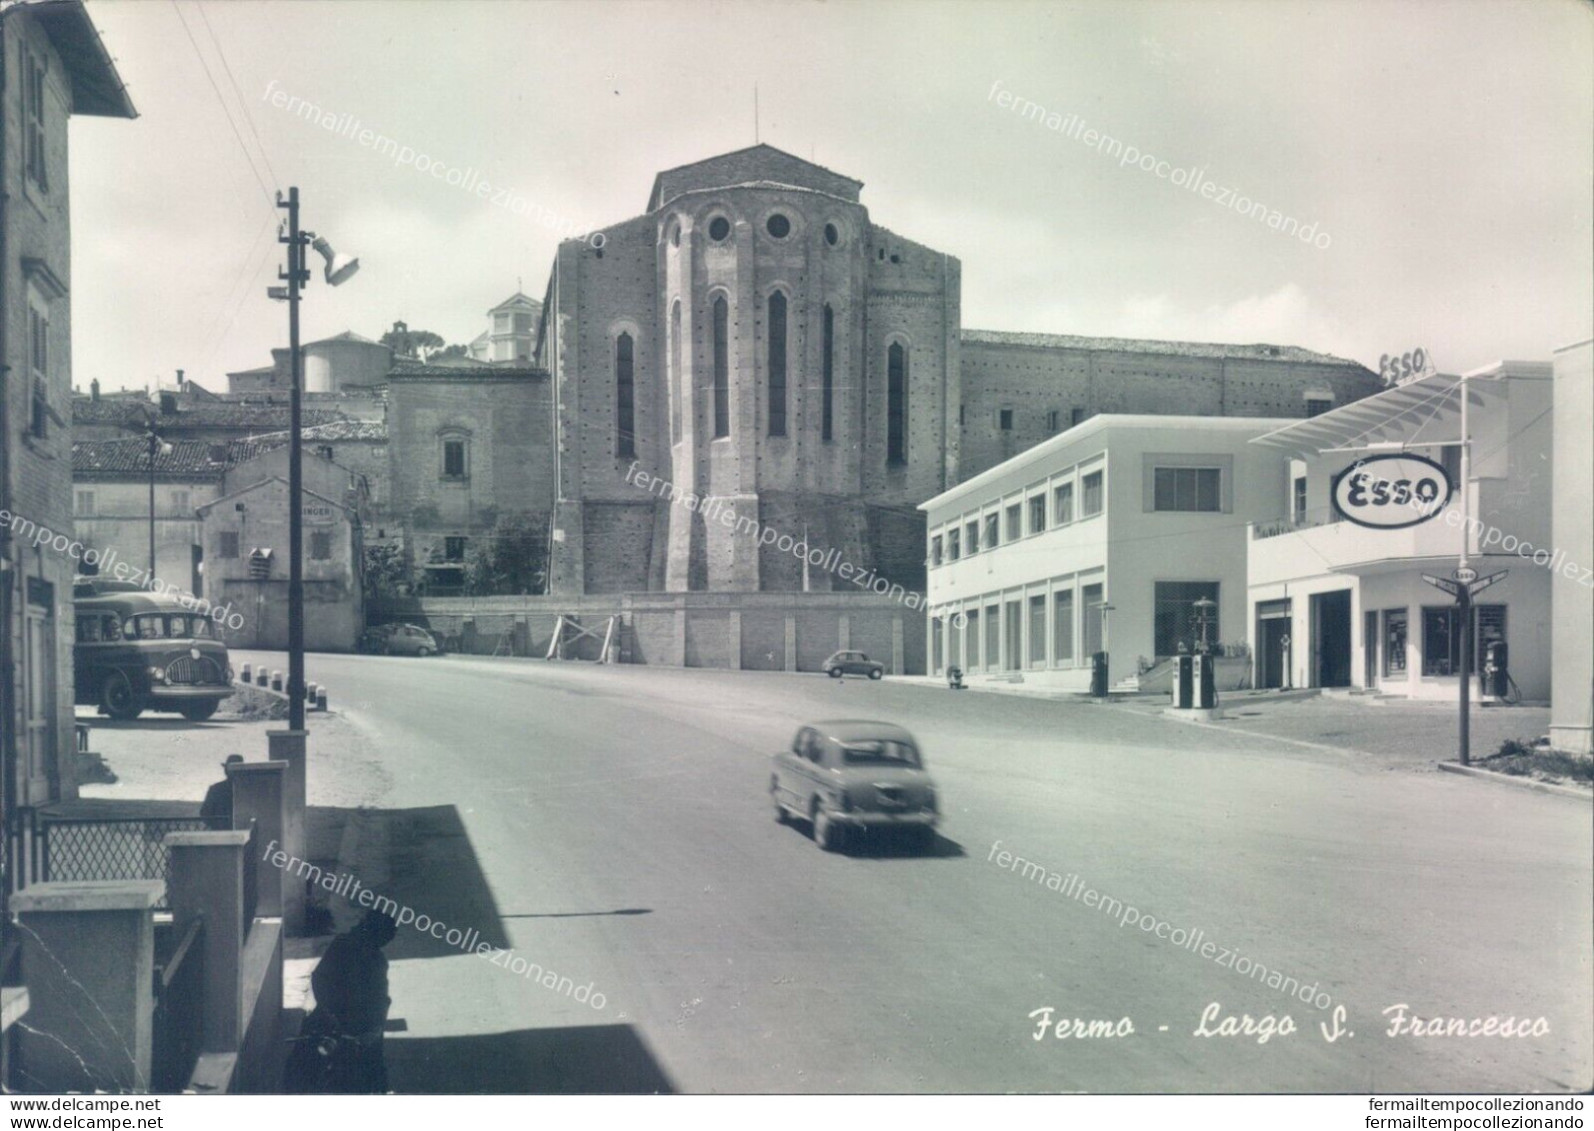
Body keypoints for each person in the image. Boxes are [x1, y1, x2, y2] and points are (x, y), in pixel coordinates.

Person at [285, 910, 398, 1093]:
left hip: (360, 1027)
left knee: (371, 1069)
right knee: (304, 1064)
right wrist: (328, 1012)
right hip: (333, 1020)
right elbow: (320, 978)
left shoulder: (376, 960)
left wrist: (376, 1026)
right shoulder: (344, 946)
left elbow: (380, 997)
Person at [198, 754, 243, 827]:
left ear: (226, 770)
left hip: (221, 832)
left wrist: (217, 826)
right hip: (243, 832)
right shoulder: (249, 789)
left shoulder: (216, 789)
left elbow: (205, 813)